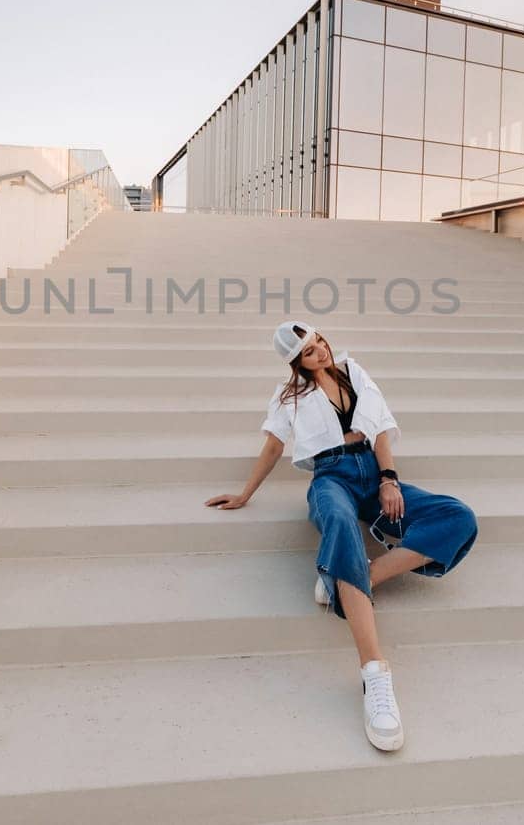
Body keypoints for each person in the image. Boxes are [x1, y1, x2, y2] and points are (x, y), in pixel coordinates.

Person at [205, 321, 479, 751]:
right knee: (339, 522)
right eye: (310, 352)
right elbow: (274, 446)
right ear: (297, 362)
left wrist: (389, 479)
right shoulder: (289, 395)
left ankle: (347, 575)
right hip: (330, 477)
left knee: (458, 517)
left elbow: (381, 426)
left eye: (320, 342)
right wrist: (244, 493)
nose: (321, 352)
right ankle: (375, 674)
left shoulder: (355, 371)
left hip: (372, 474)